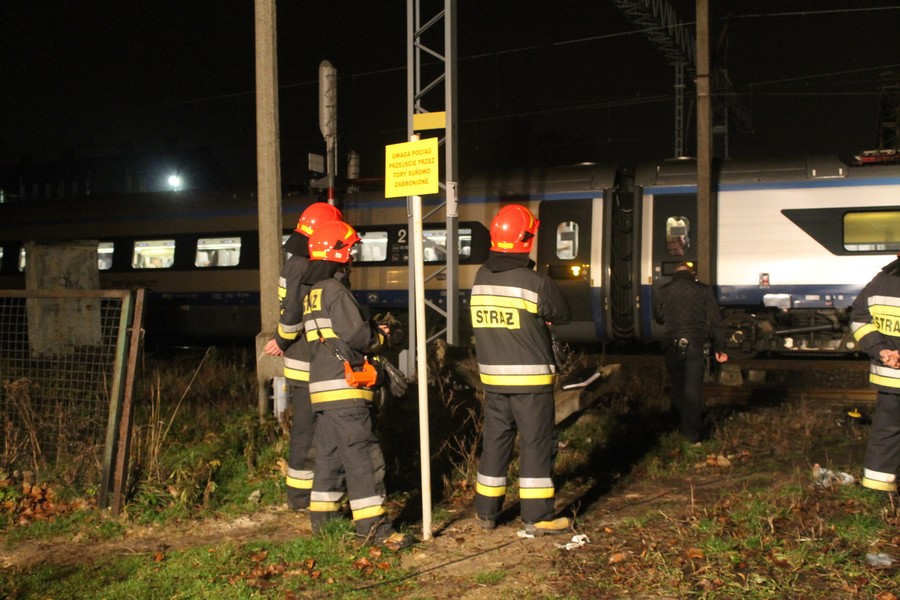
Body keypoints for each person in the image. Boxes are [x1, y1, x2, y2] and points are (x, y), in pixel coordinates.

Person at [301, 220, 415, 548]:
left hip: (322, 389)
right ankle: (374, 529)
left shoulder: (313, 292)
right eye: (349, 249)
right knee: (363, 456)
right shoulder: (336, 290)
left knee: (329, 456)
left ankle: (324, 521)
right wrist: (382, 335)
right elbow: (358, 336)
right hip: (344, 388)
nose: (353, 255)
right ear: (336, 252)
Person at [469, 204, 572, 537]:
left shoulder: (481, 278)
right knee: (535, 444)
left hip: (494, 381)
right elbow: (562, 313)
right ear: (526, 240)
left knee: (496, 442)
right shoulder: (534, 282)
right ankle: (538, 515)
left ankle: (486, 512)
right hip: (531, 380)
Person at [264, 202, 343, 511]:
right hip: (307, 359)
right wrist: (282, 339)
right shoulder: (304, 265)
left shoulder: (295, 260)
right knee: (309, 430)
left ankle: (305, 494)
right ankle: (301, 498)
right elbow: (294, 311)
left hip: (304, 360)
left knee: (308, 429)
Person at [653, 261, 728, 443]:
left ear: (675, 274)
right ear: (692, 273)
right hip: (695, 344)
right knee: (693, 391)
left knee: (678, 388)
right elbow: (715, 320)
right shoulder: (703, 290)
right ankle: (692, 436)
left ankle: (679, 427)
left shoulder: (664, 290)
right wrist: (719, 347)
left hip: (672, 345)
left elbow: (659, 317)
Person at [850, 253, 900, 494]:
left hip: (889, 376)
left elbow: (859, 319)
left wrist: (882, 351)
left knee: (886, 432)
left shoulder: (880, 281)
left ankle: (876, 489)